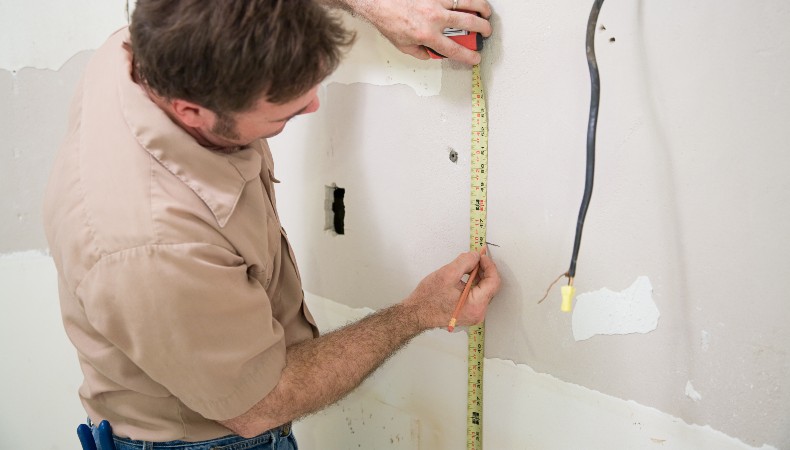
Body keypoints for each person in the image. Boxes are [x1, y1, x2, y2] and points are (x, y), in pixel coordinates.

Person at [43, 0, 500, 448]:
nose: (314, 106)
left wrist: (376, 6)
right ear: (192, 113)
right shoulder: (157, 249)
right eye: (285, 114)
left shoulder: (156, 36)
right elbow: (262, 404)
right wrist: (417, 312)